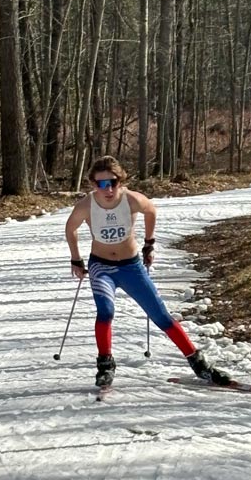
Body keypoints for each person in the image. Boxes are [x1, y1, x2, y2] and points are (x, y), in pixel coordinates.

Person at [65, 155, 231, 388]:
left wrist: (149, 244)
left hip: (131, 267)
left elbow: (151, 211)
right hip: (101, 267)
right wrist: (76, 259)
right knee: (105, 311)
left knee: (160, 315)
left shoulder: (132, 200)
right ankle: (105, 365)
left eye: (113, 182)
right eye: (102, 184)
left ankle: (199, 364)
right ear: (93, 184)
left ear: (120, 182)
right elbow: (70, 228)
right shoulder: (86, 205)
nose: (109, 189)